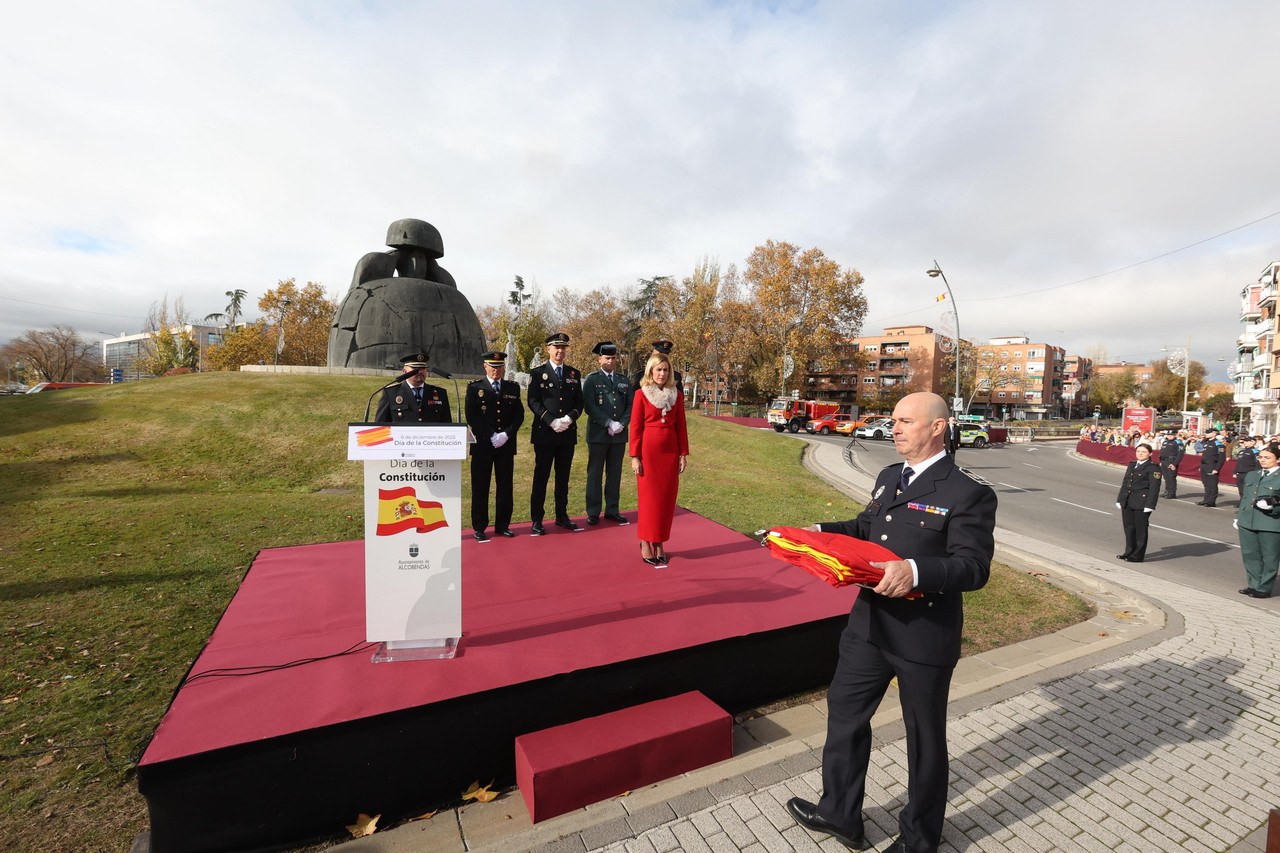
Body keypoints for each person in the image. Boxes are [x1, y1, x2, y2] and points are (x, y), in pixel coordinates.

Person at [785, 392, 997, 853]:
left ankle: (919, 839)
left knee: (923, 737)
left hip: (923, 634)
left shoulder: (968, 491)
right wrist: (818, 533)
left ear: (937, 427)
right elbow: (868, 528)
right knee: (845, 715)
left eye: (905, 421)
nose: (894, 428)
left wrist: (916, 572)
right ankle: (839, 814)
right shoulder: (888, 476)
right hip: (869, 625)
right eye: (893, 420)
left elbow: (974, 567)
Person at [629, 352, 689, 566]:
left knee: (666, 500)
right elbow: (635, 428)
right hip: (649, 454)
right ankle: (646, 541)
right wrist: (635, 457)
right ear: (651, 371)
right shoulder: (641, 394)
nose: (662, 374)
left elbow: (681, 426)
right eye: (658, 370)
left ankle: (660, 540)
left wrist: (683, 454)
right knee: (649, 500)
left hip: (670, 453)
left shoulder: (677, 395)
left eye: (665, 370)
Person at [464, 351, 524, 542]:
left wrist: (506, 434)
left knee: (505, 486)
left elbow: (519, 414)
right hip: (483, 444)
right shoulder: (475, 388)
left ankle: (503, 525)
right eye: (492, 366)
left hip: (505, 444)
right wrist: (492, 434)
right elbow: (472, 415)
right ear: (485, 366)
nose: (496, 370)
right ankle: (479, 526)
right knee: (480, 486)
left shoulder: (512, 387)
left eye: (499, 366)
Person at [528, 332, 584, 535]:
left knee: (563, 477)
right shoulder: (537, 373)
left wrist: (568, 419)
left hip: (566, 433)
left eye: (563, 348)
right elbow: (533, 401)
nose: (560, 351)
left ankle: (562, 515)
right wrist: (551, 421)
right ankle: (537, 519)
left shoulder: (573, 374)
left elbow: (579, 402)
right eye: (556, 347)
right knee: (541, 477)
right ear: (548, 349)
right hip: (545, 433)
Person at [582, 342, 633, 526]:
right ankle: (593, 511)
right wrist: (608, 423)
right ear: (599, 359)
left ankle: (612, 509)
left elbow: (630, 405)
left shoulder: (624, 380)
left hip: (618, 434)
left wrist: (621, 424)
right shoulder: (592, 380)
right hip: (598, 434)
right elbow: (589, 406)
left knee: (614, 474)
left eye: (613, 358)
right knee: (595, 474)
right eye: (607, 358)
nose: (610, 361)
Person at [1236, 442, 1280, 599]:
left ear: (1278, 459)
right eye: (1260, 457)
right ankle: (1254, 585)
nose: (1263, 460)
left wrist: (1273, 506)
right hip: (1248, 521)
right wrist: (1240, 516)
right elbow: (1246, 497)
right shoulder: (1252, 475)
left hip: (1270, 522)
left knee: (1270, 557)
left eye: (1267, 457)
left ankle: (1264, 588)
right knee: (1250, 554)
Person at [373, 350, 451, 423]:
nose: (420, 371)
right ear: (405, 371)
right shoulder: (391, 393)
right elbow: (380, 425)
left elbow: (447, 424)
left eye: (423, 368)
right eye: (415, 368)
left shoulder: (440, 393)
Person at [1115, 443, 1160, 563]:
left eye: (1144, 452)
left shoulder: (1153, 468)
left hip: (1142, 502)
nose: (1140, 453)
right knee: (1129, 528)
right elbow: (1125, 483)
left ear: (1150, 454)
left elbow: (1154, 488)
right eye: (1138, 451)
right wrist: (1120, 499)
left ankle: (1138, 555)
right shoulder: (1132, 464)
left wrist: (1150, 505)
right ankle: (1129, 551)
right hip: (1128, 500)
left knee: (1140, 530)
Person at [1198, 428, 1223, 507]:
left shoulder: (1218, 444)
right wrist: (1201, 466)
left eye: (1208, 433)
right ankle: (1206, 499)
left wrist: (1217, 468)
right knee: (1206, 484)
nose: (1206, 434)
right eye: (1206, 433)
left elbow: (1222, 458)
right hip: (1204, 465)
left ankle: (1211, 501)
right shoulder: (1206, 443)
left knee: (1212, 484)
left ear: (1214, 434)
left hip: (1212, 465)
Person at [1158, 431, 1184, 499]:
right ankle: (1167, 491)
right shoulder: (1165, 442)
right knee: (1166, 478)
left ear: (1175, 435)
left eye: (1171, 435)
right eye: (1168, 434)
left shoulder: (1177, 442)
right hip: (1164, 461)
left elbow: (1180, 454)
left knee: (1171, 478)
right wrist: (1160, 461)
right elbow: (1162, 452)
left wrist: (1174, 464)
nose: (1169, 436)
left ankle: (1172, 493)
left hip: (1171, 462)